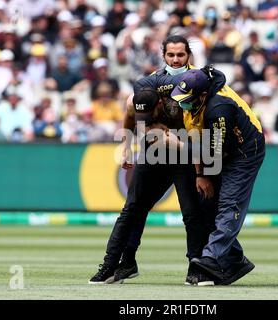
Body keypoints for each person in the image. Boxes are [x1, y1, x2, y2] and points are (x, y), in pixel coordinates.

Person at [89, 35, 214, 285]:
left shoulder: (199, 81)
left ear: (188, 54)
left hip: (186, 156)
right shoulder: (149, 82)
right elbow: (130, 108)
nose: (176, 59)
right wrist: (126, 145)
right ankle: (116, 264)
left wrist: (203, 170)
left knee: (192, 213)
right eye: (171, 55)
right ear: (163, 55)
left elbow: (205, 126)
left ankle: (196, 267)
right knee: (133, 209)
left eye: (180, 54)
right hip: (155, 153)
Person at [163, 67, 266, 285]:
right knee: (207, 204)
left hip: (244, 152)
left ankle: (211, 257)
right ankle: (236, 261)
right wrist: (201, 174)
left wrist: (178, 145)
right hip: (219, 149)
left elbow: (214, 153)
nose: (182, 105)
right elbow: (198, 138)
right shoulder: (194, 99)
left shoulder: (218, 108)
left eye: (186, 101)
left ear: (202, 95)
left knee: (229, 203)